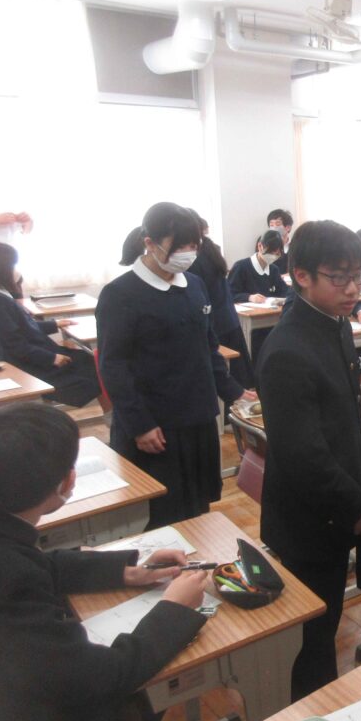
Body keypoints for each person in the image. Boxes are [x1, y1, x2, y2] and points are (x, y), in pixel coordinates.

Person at [0, 403, 210, 721]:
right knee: (146, 695)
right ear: (67, 481)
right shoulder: (11, 580)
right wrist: (174, 609)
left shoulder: (9, 540)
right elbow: (103, 676)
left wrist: (127, 572)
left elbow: (38, 564)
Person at [256, 220, 361, 701]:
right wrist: (358, 504)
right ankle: (312, 707)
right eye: (339, 277)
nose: (353, 289)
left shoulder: (334, 324)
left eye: (358, 276)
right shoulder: (287, 350)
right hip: (308, 519)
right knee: (311, 640)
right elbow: (304, 456)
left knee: (325, 622)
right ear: (301, 275)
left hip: (333, 505)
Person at [97, 202, 253, 529]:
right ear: (149, 243)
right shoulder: (120, 294)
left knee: (197, 507)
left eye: (193, 245)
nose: (187, 253)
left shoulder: (193, 285)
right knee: (163, 514)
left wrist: (234, 391)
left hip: (198, 417)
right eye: (179, 245)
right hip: (156, 424)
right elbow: (113, 366)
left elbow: (208, 347)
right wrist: (140, 424)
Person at [0, 243, 100, 407]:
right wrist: (51, 358)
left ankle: (110, 412)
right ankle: (110, 413)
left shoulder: (3, 295)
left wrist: (55, 324)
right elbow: (15, 346)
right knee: (98, 367)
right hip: (29, 365)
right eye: (13, 265)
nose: (16, 271)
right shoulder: (0, 301)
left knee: (92, 360)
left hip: (34, 356)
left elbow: (22, 328)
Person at [188, 216, 255, 389]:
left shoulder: (195, 258)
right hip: (227, 320)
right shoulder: (211, 249)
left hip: (216, 324)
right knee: (237, 382)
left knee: (225, 382)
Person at [228, 229, 291, 304]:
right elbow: (229, 294)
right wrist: (249, 297)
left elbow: (284, 291)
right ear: (260, 246)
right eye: (271, 252)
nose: (274, 256)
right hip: (248, 310)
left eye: (277, 254)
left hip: (269, 309)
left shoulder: (274, 270)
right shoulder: (240, 267)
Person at [267, 208, 294, 274]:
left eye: (278, 225)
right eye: (271, 225)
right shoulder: (265, 244)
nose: (274, 228)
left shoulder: (295, 244)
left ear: (288, 227)